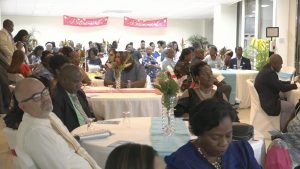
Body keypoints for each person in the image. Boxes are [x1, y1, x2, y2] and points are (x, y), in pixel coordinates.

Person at [15, 78, 100, 169]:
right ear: (23, 107)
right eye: (36, 97)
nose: (45, 99)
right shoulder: (37, 133)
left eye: (45, 92)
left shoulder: (47, 115)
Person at [165, 98, 261, 169]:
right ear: (199, 133)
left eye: (228, 135)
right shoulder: (181, 163)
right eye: (215, 137)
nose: (224, 143)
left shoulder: (242, 150)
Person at [255, 54, 300, 130]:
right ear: (274, 64)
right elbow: (282, 88)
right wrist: (296, 85)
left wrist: (292, 83)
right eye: (280, 64)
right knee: (290, 107)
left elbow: (277, 83)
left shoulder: (266, 70)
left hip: (265, 98)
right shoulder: (269, 73)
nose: (281, 66)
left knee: (284, 96)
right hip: (269, 104)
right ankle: (283, 131)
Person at [51, 64, 95, 132]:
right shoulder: (55, 97)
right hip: (74, 135)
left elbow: (88, 115)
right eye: (76, 82)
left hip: (89, 130)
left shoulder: (80, 93)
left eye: (80, 81)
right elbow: (59, 126)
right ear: (64, 80)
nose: (80, 85)